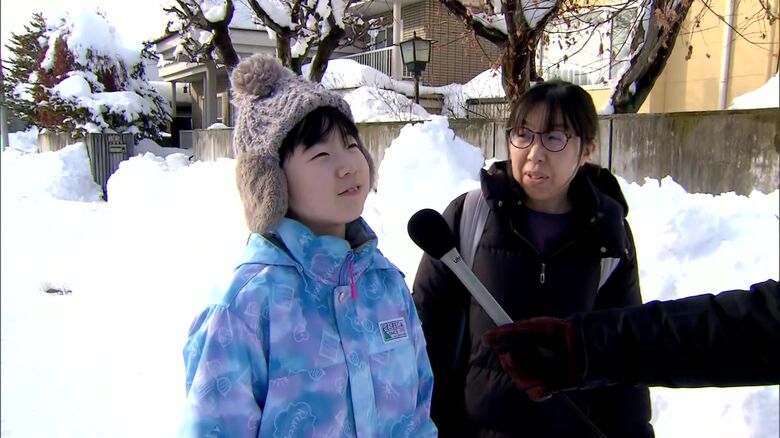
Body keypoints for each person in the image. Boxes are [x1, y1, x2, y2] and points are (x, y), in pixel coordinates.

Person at [180, 54, 437, 437]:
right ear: (272, 182)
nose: (347, 165)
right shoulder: (246, 306)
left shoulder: (385, 284)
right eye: (321, 154)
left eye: (350, 145)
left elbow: (418, 411)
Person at [413, 80, 654, 437]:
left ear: (586, 149)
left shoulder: (608, 237)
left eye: (554, 138)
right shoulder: (469, 217)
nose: (534, 153)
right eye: (523, 134)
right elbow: (424, 337)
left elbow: (625, 355)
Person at [483, 279, 780, 399]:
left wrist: (583, 347)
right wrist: (582, 347)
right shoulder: (470, 218)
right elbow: (751, 329)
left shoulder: (608, 226)